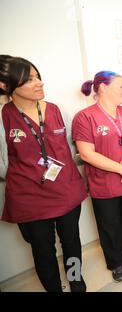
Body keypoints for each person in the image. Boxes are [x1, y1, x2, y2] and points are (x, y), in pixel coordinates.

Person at [0, 56, 87, 292]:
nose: (39, 83)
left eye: (37, 76)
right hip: (30, 198)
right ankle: (54, 289)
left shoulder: (57, 110)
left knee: (71, 243)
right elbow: (3, 164)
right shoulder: (3, 117)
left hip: (65, 191)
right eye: (29, 79)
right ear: (5, 86)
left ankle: (76, 281)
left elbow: (68, 148)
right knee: (42, 250)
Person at [73, 71, 122, 283]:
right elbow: (86, 153)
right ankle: (116, 262)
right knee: (110, 224)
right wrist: (121, 169)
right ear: (103, 88)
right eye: (120, 87)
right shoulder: (85, 116)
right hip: (104, 184)